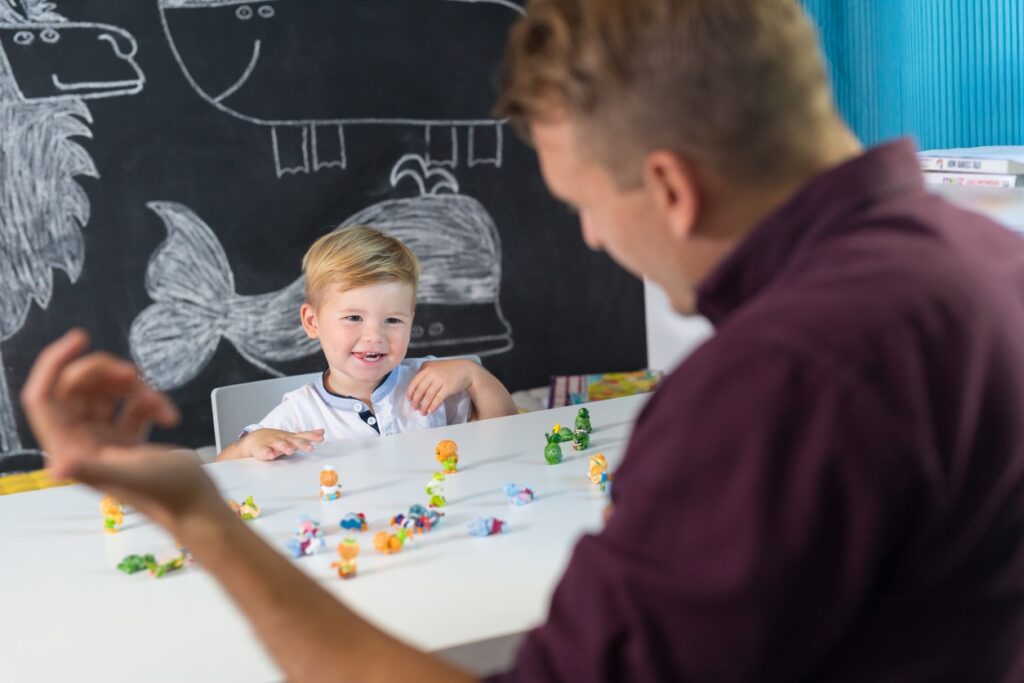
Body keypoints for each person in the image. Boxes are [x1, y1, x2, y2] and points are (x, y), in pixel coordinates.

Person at [21, 0, 1024, 680]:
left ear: (670, 187)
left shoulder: (777, 379)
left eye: (585, 203)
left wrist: (201, 518)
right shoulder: (987, 260)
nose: (589, 237)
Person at [217, 226, 517, 461]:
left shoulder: (430, 384)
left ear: (411, 322)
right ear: (312, 322)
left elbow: (505, 430)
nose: (375, 336)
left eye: (393, 321)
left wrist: (474, 375)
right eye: (353, 318)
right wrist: (250, 446)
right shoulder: (300, 412)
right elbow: (224, 470)